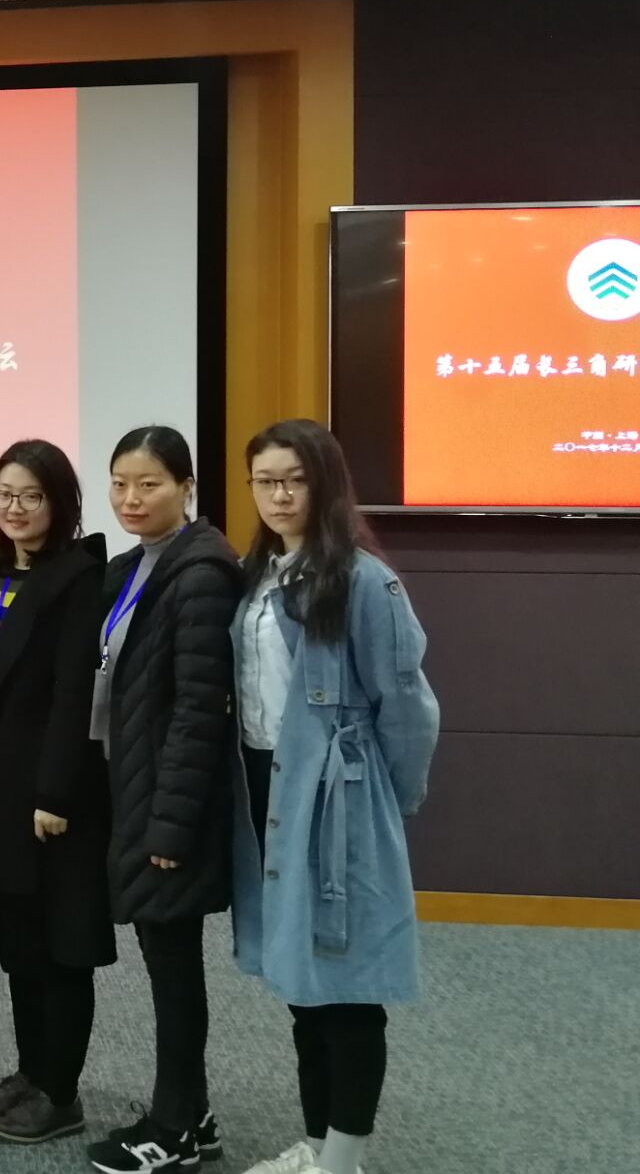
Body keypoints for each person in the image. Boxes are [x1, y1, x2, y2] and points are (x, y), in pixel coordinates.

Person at [230, 421, 440, 1174]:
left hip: (338, 799)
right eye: (265, 481)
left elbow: (408, 707)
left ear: (325, 485)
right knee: (301, 980)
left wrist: (386, 801)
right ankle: (317, 1145)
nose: (280, 495)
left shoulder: (364, 580)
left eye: (295, 480)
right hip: (269, 789)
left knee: (344, 984)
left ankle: (343, 1159)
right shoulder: (259, 573)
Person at [86, 426, 244, 1174]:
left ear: (187, 488)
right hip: (136, 788)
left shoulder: (202, 573)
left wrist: (170, 826)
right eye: (120, 483)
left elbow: (197, 710)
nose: (131, 498)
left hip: (167, 804)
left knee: (175, 968)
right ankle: (194, 1114)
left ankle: (173, 1128)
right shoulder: (134, 566)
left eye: (148, 484)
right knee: (164, 958)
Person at [0, 440, 113, 1146]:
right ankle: (30, 1070)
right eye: (5, 494)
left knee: (61, 945)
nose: (15, 508)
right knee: (19, 942)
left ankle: (61, 1091)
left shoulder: (78, 578)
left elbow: (74, 693)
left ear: (60, 503)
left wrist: (55, 793)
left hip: (53, 795)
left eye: (31, 496)